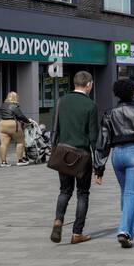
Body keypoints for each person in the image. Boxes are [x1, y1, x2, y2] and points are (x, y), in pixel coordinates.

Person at [98, 78, 134, 249]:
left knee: (124, 192)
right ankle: (124, 230)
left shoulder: (109, 113)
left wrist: (99, 168)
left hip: (117, 155)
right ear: (132, 92)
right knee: (130, 193)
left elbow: (103, 142)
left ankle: (133, 226)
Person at [50, 71, 99, 245]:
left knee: (64, 191)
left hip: (63, 152)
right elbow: (94, 137)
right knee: (82, 193)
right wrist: (99, 166)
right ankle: (77, 233)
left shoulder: (61, 101)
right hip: (82, 155)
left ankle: (58, 220)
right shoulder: (90, 105)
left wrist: (53, 148)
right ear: (88, 85)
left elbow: (54, 129)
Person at [0, 91, 34, 167]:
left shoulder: (3, 105)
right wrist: (28, 121)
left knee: (3, 144)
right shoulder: (14, 106)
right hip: (12, 124)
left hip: (2, 124)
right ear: (15, 98)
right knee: (20, 142)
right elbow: (20, 116)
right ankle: (20, 160)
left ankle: (3, 162)